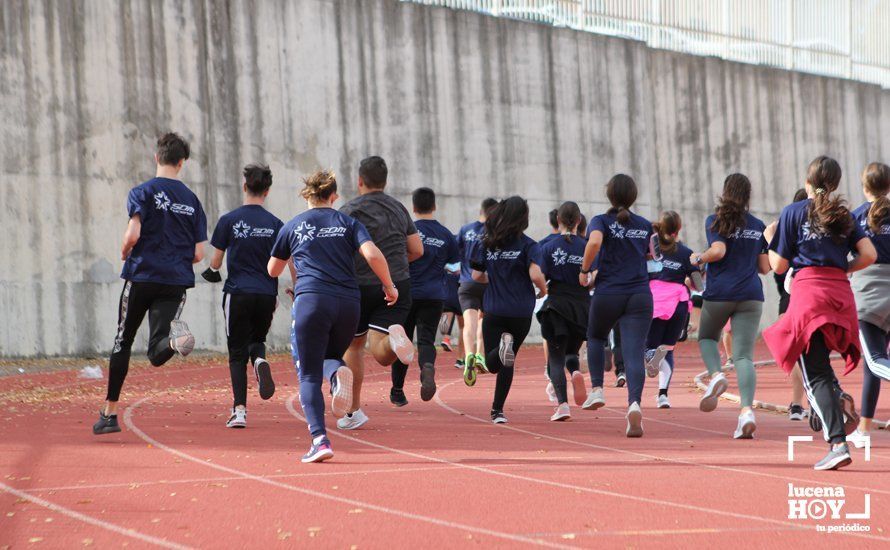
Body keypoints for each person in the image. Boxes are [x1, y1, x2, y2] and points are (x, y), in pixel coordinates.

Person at [268, 170, 397, 463]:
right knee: (329, 356)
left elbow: (272, 270)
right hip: (350, 304)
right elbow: (373, 254)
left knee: (308, 373)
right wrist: (389, 287)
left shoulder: (293, 226)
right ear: (334, 196)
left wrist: (294, 258)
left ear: (307, 195)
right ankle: (337, 377)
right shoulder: (348, 223)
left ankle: (320, 440)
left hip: (313, 300)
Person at [763, 156, 876, 470]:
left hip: (810, 294)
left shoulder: (794, 212)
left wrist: (772, 242)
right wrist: (844, 268)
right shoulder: (844, 215)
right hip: (840, 293)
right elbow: (869, 254)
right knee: (819, 363)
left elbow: (778, 266)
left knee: (812, 370)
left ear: (807, 183)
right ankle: (835, 394)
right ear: (836, 184)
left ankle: (837, 442)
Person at [93, 133, 206, 435]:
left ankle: (110, 413)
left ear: (156, 157)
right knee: (157, 352)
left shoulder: (142, 192)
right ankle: (173, 341)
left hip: (142, 275)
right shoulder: (192, 201)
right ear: (182, 163)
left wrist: (124, 251)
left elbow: (133, 234)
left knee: (123, 340)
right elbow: (199, 253)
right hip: (176, 281)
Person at [338, 156, 423, 430]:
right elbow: (417, 250)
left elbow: (339, 251)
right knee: (382, 354)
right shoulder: (399, 208)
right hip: (398, 283)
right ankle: (395, 340)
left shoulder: (349, 210)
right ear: (385, 182)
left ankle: (353, 411)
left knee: (354, 346)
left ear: (359, 181)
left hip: (360, 284)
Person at [205, 164, 285, 428]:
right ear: (268, 191)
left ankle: (239, 411)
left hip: (238, 293)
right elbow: (285, 261)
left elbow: (215, 261)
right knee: (257, 339)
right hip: (266, 293)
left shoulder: (229, 220)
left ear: (244, 187)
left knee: (236, 353)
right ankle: (260, 359)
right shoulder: (276, 225)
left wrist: (212, 271)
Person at [690, 173, 770, 439]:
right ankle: (747, 411)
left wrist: (699, 258)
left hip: (721, 292)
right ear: (748, 196)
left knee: (706, 337)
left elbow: (719, 251)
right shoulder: (757, 225)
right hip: (750, 294)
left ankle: (715, 375)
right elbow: (764, 268)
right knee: (744, 356)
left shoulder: (715, 220)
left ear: (725, 192)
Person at [580, 174, 656, 437]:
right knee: (634, 351)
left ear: (609, 194)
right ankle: (634, 403)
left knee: (596, 336)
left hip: (609, 292)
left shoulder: (600, 221)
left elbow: (595, 242)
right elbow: (654, 258)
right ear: (633, 197)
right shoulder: (646, 225)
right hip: (639, 294)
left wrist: (585, 269)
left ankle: (597, 389)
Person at [469, 196, 547, 423]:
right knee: (509, 360)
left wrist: (494, 277)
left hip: (494, 308)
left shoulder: (488, 242)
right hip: (521, 311)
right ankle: (497, 410)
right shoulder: (530, 245)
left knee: (494, 364)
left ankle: (504, 347)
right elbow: (535, 274)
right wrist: (543, 290)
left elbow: (476, 275)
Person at [390, 187, 459, 406]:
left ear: (413, 206)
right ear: (434, 206)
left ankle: (398, 391)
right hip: (434, 294)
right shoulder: (446, 234)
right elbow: (455, 265)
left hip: (407, 292)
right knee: (427, 340)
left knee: (403, 343)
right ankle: (427, 368)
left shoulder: (407, 231)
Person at [847, 163, 890, 449]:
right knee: (875, 365)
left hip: (867, 292)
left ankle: (863, 431)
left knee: (874, 360)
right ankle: (862, 429)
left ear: (864, 187)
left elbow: (845, 252)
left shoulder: (855, 218)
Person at [644, 211, 703, 409]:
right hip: (678, 304)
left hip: (656, 302)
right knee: (668, 348)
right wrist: (697, 267)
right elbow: (698, 285)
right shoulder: (686, 252)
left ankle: (651, 357)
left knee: (648, 346)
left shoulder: (651, 248)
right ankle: (663, 396)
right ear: (678, 230)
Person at [538, 202, 589, 420]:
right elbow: (592, 277)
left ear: (558, 220)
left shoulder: (548, 246)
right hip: (582, 307)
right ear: (579, 221)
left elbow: (539, 276)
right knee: (572, 352)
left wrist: (541, 290)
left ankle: (562, 405)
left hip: (557, 306)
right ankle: (576, 371)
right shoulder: (587, 245)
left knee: (555, 358)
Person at [457, 198, 498, 385]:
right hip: (486, 282)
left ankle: (469, 356)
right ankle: (480, 355)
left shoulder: (465, 230)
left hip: (466, 284)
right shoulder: (495, 233)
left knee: (468, 324)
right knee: (483, 319)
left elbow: (454, 254)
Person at [780, 188, 810, 422]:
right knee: (813, 352)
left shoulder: (785, 231)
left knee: (796, 354)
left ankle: (797, 404)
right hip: (814, 296)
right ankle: (814, 401)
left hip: (789, 298)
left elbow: (774, 267)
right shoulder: (823, 230)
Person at [438, 269, 465, 367]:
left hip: (446, 294)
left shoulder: (444, 258)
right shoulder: (464, 260)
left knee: (448, 312)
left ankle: (446, 337)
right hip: (460, 295)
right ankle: (460, 359)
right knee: (464, 327)